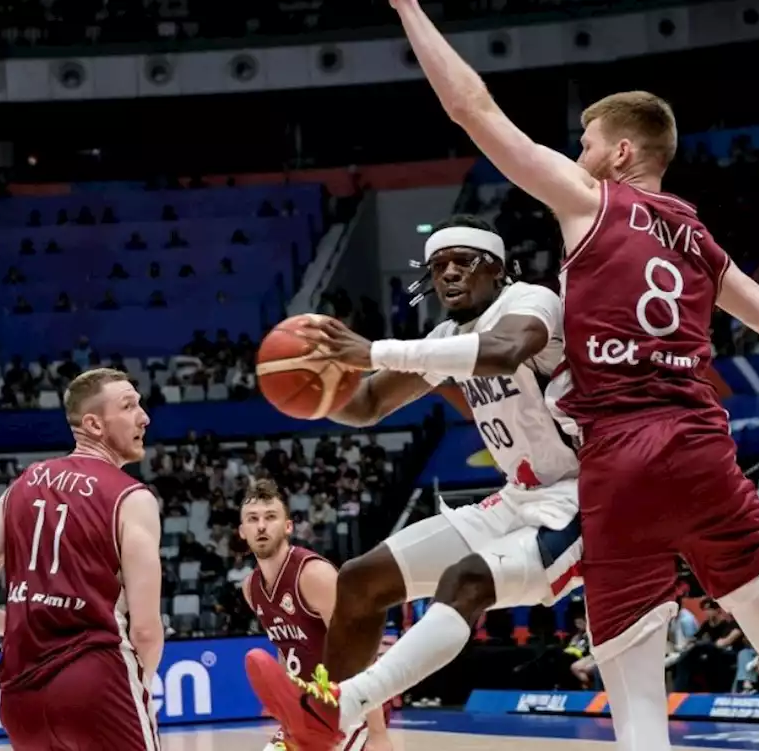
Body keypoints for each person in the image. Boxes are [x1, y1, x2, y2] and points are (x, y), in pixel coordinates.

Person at [372, 3, 759, 750]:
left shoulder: (589, 202)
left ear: (621, 153)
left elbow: (472, 107)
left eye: (586, 143)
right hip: (701, 452)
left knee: (641, 708)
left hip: (620, 460)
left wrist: (410, 9)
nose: (577, 153)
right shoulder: (702, 243)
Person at [245, 215, 583, 749]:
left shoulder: (530, 301)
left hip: (581, 501)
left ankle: (342, 707)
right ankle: (322, 724)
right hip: (516, 498)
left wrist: (375, 350)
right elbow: (370, 402)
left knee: (466, 581)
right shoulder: (447, 337)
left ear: (496, 269)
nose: (448, 274)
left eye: (462, 263)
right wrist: (312, 385)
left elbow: (504, 351)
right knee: (360, 581)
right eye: (438, 266)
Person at [0, 368, 165, 750]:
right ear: (94, 424)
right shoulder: (132, 498)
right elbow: (145, 630)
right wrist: (137, 690)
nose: (144, 416)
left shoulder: (21, 485)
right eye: (129, 406)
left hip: (20, 697)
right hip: (97, 685)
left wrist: (18, 625)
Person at [238, 481, 392, 751]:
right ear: (242, 531)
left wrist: (378, 734)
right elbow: (286, 650)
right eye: (253, 519)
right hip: (307, 709)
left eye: (270, 517)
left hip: (348, 707)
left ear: (288, 526)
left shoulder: (313, 575)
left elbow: (360, 652)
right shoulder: (250, 588)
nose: (261, 526)